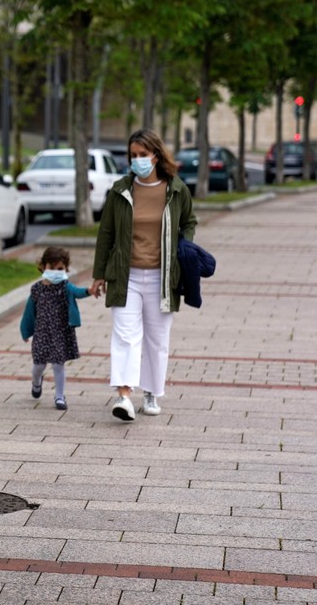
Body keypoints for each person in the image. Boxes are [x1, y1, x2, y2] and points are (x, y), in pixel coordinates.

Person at [91, 128, 197, 422]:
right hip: (127, 277)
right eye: (133, 155)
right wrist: (99, 273)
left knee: (157, 338)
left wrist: (184, 247)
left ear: (156, 155)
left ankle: (151, 392)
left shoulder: (176, 188)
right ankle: (124, 396)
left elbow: (190, 221)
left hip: (164, 278)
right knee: (125, 336)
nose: (137, 160)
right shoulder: (120, 190)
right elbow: (106, 234)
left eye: (142, 154)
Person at [19, 246, 95, 411]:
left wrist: (90, 291)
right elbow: (29, 311)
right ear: (43, 267)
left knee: (58, 365)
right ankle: (36, 382)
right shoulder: (37, 289)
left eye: (59, 268)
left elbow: (79, 292)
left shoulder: (65, 286)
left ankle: (59, 396)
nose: (55, 271)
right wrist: (25, 331)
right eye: (51, 268)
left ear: (66, 269)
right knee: (39, 366)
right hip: (42, 334)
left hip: (60, 333)